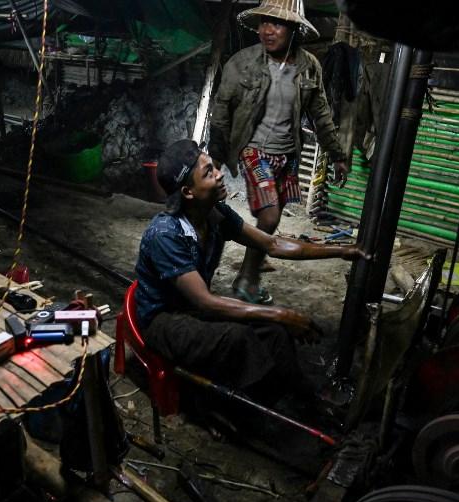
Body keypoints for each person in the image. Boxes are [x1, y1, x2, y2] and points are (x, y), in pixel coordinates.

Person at [135, 139, 367, 405]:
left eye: (214, 167)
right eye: (209, 173)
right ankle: (242, 408)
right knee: (238, 338)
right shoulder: (166, 234)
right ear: (188, 192)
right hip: (163, 322)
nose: (220, 174)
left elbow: (273, 244)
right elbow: (206, 302)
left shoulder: (215, 214)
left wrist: (343, 250)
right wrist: (282, 314)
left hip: (192, 311)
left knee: (274, 330)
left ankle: (302, 398)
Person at [208, 0, 349, 305]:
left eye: (277, 24)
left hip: (288, 154)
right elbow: (221, 112)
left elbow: (320, 114)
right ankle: (246, 279)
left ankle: (254, 263)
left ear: (294, 28)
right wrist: (214, 159)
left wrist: (337, 155)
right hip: (254, 149)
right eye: (263, 23)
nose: (267, 30)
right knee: (269, 216)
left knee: (274, 215)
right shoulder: (241, 63)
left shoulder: (309, 65)